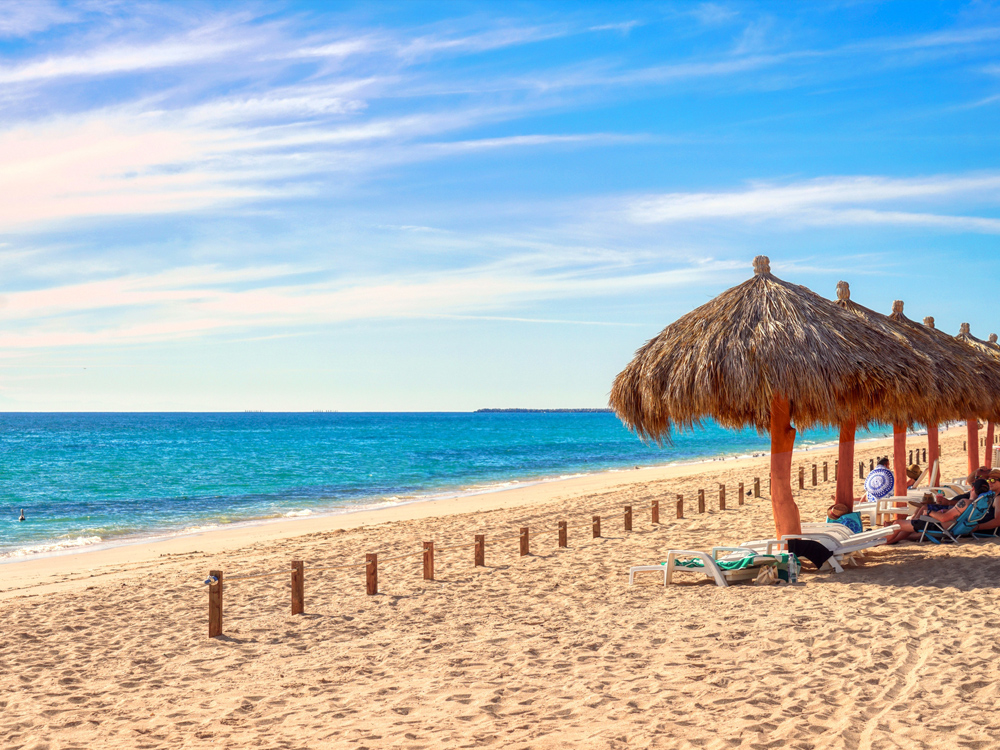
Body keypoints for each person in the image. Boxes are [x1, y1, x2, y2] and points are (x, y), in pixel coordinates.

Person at [884, 478, 991, 544]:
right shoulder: (978, 504)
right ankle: (890, 540)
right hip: (949, 526)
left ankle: (885, 542)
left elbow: (944, 518)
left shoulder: (965, 502)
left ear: (972, 489)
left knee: (897, 524)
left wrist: (930, 513)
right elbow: (953, 515)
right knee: (907, 526)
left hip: (937, 525)